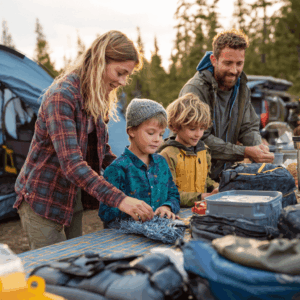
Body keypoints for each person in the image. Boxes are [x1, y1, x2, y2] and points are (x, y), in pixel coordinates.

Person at [14, 30, 154, 250]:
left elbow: (102, 151)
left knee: (76, 262)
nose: (123, 81)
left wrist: (135, 173)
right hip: (43, 197)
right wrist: (121, 200)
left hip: (72, 197)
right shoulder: (62, 96)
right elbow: (72, 164)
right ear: (100, 62)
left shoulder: (97, 95)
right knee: (54, 270)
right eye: (120, 72)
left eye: (127, 75)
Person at [179, 29, 274, 181]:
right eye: (228, 63)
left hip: (223, 177)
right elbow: (199, 139)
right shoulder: (195, 90)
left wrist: (259, 149)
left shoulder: (242, 88)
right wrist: (245, 152)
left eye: (239, 63)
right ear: (213, 60)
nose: (234, 70)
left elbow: (248, 127)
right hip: (192, 179)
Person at [98, 98, 180, 225]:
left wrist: (167, 207)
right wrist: (131, 210)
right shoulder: (117, 169)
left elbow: (173, 194)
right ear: (131, 131)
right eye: (151, 133)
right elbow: (105, 213)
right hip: (126, 240)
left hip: (158, 233)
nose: (157, 139)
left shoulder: (161, 163)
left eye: (161, 134)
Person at [158, 93, 218, 207]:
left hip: (201, 210)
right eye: (192, 129)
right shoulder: (167, 155)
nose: (198, 134)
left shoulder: (204, 151)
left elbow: (206, 179)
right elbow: (167, 194)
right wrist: (201, 197)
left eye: (202, 129)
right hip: (176, 213)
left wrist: (217, 188)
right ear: (175, 126)